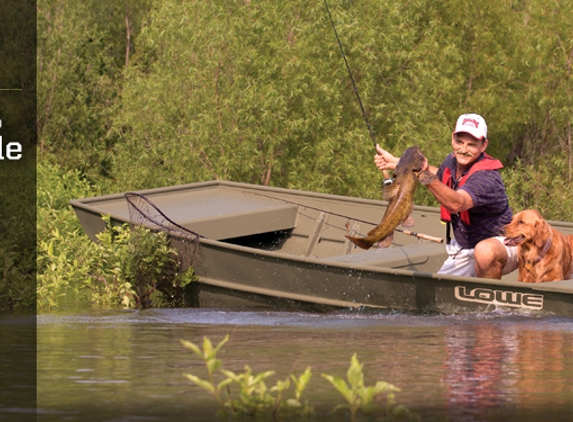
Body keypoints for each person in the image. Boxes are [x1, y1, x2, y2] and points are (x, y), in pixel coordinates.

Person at [374, 113, 518, 279]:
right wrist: (399, 163)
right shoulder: (451, 161)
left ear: (484, 145)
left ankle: (492, 303)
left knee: (484, 252)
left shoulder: (487, 177)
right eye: (459, 142)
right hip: (465, 248)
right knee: (438, 298)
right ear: (452, 138)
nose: (463, 150)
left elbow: (458, 203)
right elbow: (442, 175)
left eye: (471, 145)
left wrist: (422, 175)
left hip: (503, 243)